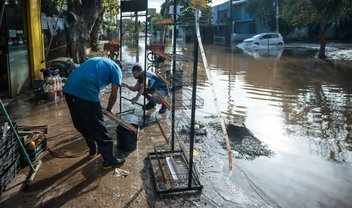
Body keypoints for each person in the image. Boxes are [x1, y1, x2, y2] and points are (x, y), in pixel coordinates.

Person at [63, 57, 124, 169]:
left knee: (81, 122)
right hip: (86, 89)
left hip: (68, 88)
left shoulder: (98, 60)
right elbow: (114, 94)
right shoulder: (117, 68)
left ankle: (93, 150)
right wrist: (109, 109)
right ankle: (109, 159)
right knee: (98, 126)